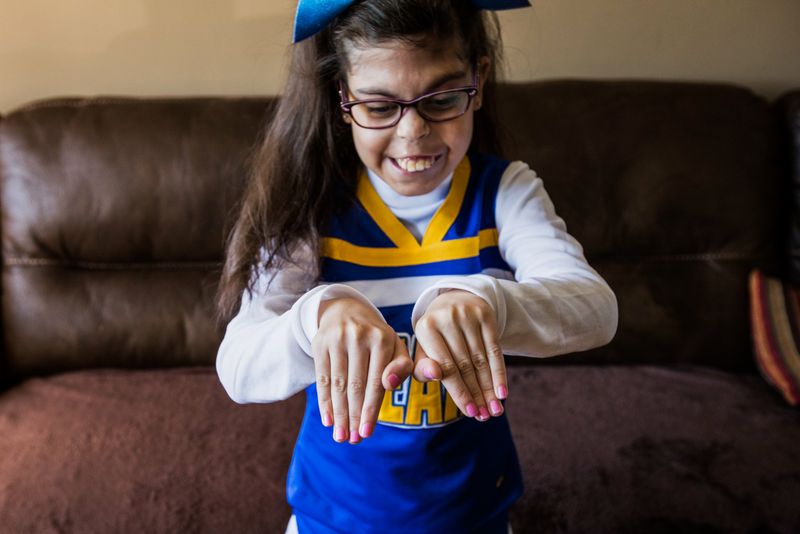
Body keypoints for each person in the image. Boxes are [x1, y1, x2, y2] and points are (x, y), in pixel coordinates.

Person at [215, 0, 618, 532]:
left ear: (480, 78)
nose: (413, 134)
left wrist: (486, 301)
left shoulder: (506, 193)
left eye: (443, 99)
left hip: (474, 514)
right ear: (342, 99)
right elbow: (238, 367)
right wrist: (318, 317)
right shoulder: (312, 206)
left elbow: (596, 311)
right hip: (332, 519)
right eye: (380, 107)